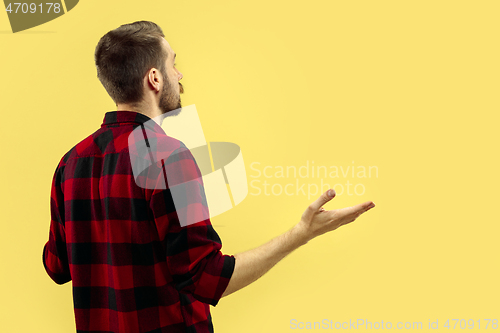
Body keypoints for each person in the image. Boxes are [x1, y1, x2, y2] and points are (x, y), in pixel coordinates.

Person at [42, 20, 376, 333]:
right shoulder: (169, 157)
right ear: (154, 78)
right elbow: (208, 277)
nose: (180, 73)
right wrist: (301, 233)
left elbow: (57, 268)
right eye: (173, 63)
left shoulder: (70, 164)